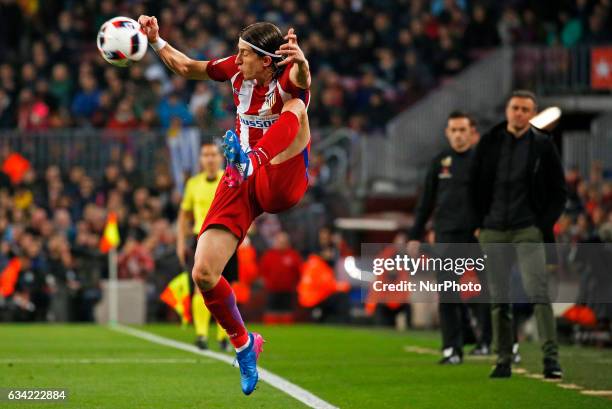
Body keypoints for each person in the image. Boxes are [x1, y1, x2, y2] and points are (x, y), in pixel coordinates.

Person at [139, 15, 311, 395]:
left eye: (245, 54)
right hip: (241, 174)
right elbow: (186, 66)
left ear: (267, 60)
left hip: (281, 178)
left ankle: (253, 158)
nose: (236, 59)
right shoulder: (236, 71)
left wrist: (300, 61)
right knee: (203, 273)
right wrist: (155, 40)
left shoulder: (287, 78)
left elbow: (302, 79)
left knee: (296, 109)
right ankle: (244, 345)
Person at [469, 90, 567, 379]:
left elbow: (559, 192)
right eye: (516, 108)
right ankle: (502, 360)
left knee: (538, 293)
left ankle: (551, 359)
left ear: (532, 113)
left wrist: (541, 224)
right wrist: (478, 223)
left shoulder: (543, 145)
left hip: (527, 229)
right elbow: (473, 185)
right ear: (507, 110)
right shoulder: (489, 142)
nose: (520, 113)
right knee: (499, 299)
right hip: (493, 230)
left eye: (526, 109)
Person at [408, 111, 485, 365]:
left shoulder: (483, 161)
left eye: (463, 130)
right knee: (448, 293)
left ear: (471, 132)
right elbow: (426, 201)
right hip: (445, 237)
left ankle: (489, 341)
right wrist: (415, 236)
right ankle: (452, 348)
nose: (458, 135)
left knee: (487, 291)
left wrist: (486, 225)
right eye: (454, 130)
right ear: (447, 132)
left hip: (476, 237)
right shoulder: (440, 161)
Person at [177, 142, 234, 352]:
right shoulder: (193, 184)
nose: (209, 159)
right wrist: (180, 243)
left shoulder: (230, 178)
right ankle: (201, 335)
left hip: (227, 238)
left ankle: (224, 337)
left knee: (227, 287)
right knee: (200, 288)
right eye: (205, 155)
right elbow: (184, 214)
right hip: (199, 238)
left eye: (213, 154)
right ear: (201, 159)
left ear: (220, 158)